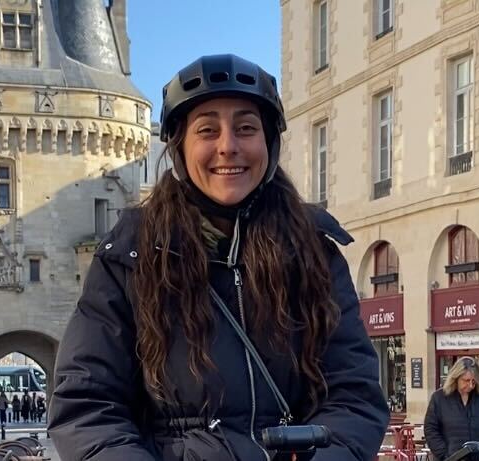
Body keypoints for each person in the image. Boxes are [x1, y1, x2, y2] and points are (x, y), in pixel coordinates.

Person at [47, 54, 389, 460]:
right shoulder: (131, 255)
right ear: (179, 147)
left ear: (268, 143)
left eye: (246, 128)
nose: (228, 146)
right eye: (207, 129)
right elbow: (87, 407)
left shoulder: (313, 251)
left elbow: (355, 394)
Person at [424, 357, 479, 460]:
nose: (470, 385)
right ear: (455, 378)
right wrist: (445, 455)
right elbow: (431, 430)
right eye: (466, 380)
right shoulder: (439, 399)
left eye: (473, 381)